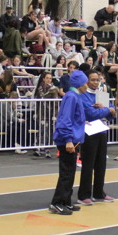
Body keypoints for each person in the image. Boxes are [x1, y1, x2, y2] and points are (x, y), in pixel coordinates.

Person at [49, 69, 89, 215]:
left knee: (70, 172)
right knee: (66, 173)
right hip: (68, 140)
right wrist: (68, 140)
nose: (87, 85)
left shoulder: (75, 96)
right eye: (85, 83)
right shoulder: (71, 97)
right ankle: (57, 202)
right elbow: (65, 119)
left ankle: (66, 200)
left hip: (73, 139)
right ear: (80, 84)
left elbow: (74, 117)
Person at [76, 69, 116, 205]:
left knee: (101, 164)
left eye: (97, 80)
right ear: (86, 81)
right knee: (88, 164)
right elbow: (91, 113)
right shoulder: (83, 95)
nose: (95, 82)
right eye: (92, 80)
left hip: (102, 130)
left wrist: (106, 110)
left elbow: (112, 113)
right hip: (89, 132)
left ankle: (99, 193)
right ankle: (83, 195)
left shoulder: (101, 94)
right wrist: (106, 109)